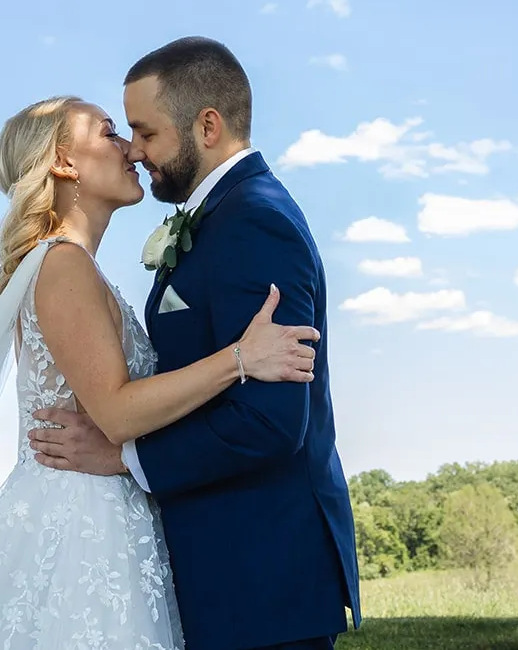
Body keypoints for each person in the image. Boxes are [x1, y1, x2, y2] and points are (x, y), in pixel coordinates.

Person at [0, 93, 318, 650]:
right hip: (82, 528)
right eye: (109, 132)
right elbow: (116, 413)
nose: (131, 149)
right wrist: (240, 358)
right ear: (65, 163)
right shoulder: (63, 263)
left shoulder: (72, 265)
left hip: (102, 509)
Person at [29, 38, 361, 650]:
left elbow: (270, 422)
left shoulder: (253, 220)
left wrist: (125, 458)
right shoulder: (221, 219)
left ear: (206, 125)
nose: (134, 149)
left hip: (259, 578)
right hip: (226, 573)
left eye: (145, 132)